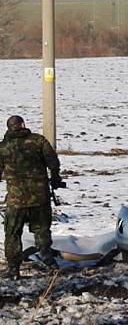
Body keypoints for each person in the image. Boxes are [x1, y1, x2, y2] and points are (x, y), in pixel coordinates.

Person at [0, 115, 63, 279]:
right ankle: (50, 263)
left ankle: (13, 269)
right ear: (23, 124)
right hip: (40, 198)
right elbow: (53, 162)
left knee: (12, 233)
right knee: (42, 231)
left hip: (16, 201)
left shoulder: (3, 147)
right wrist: (55, 178)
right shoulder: (38, 141)